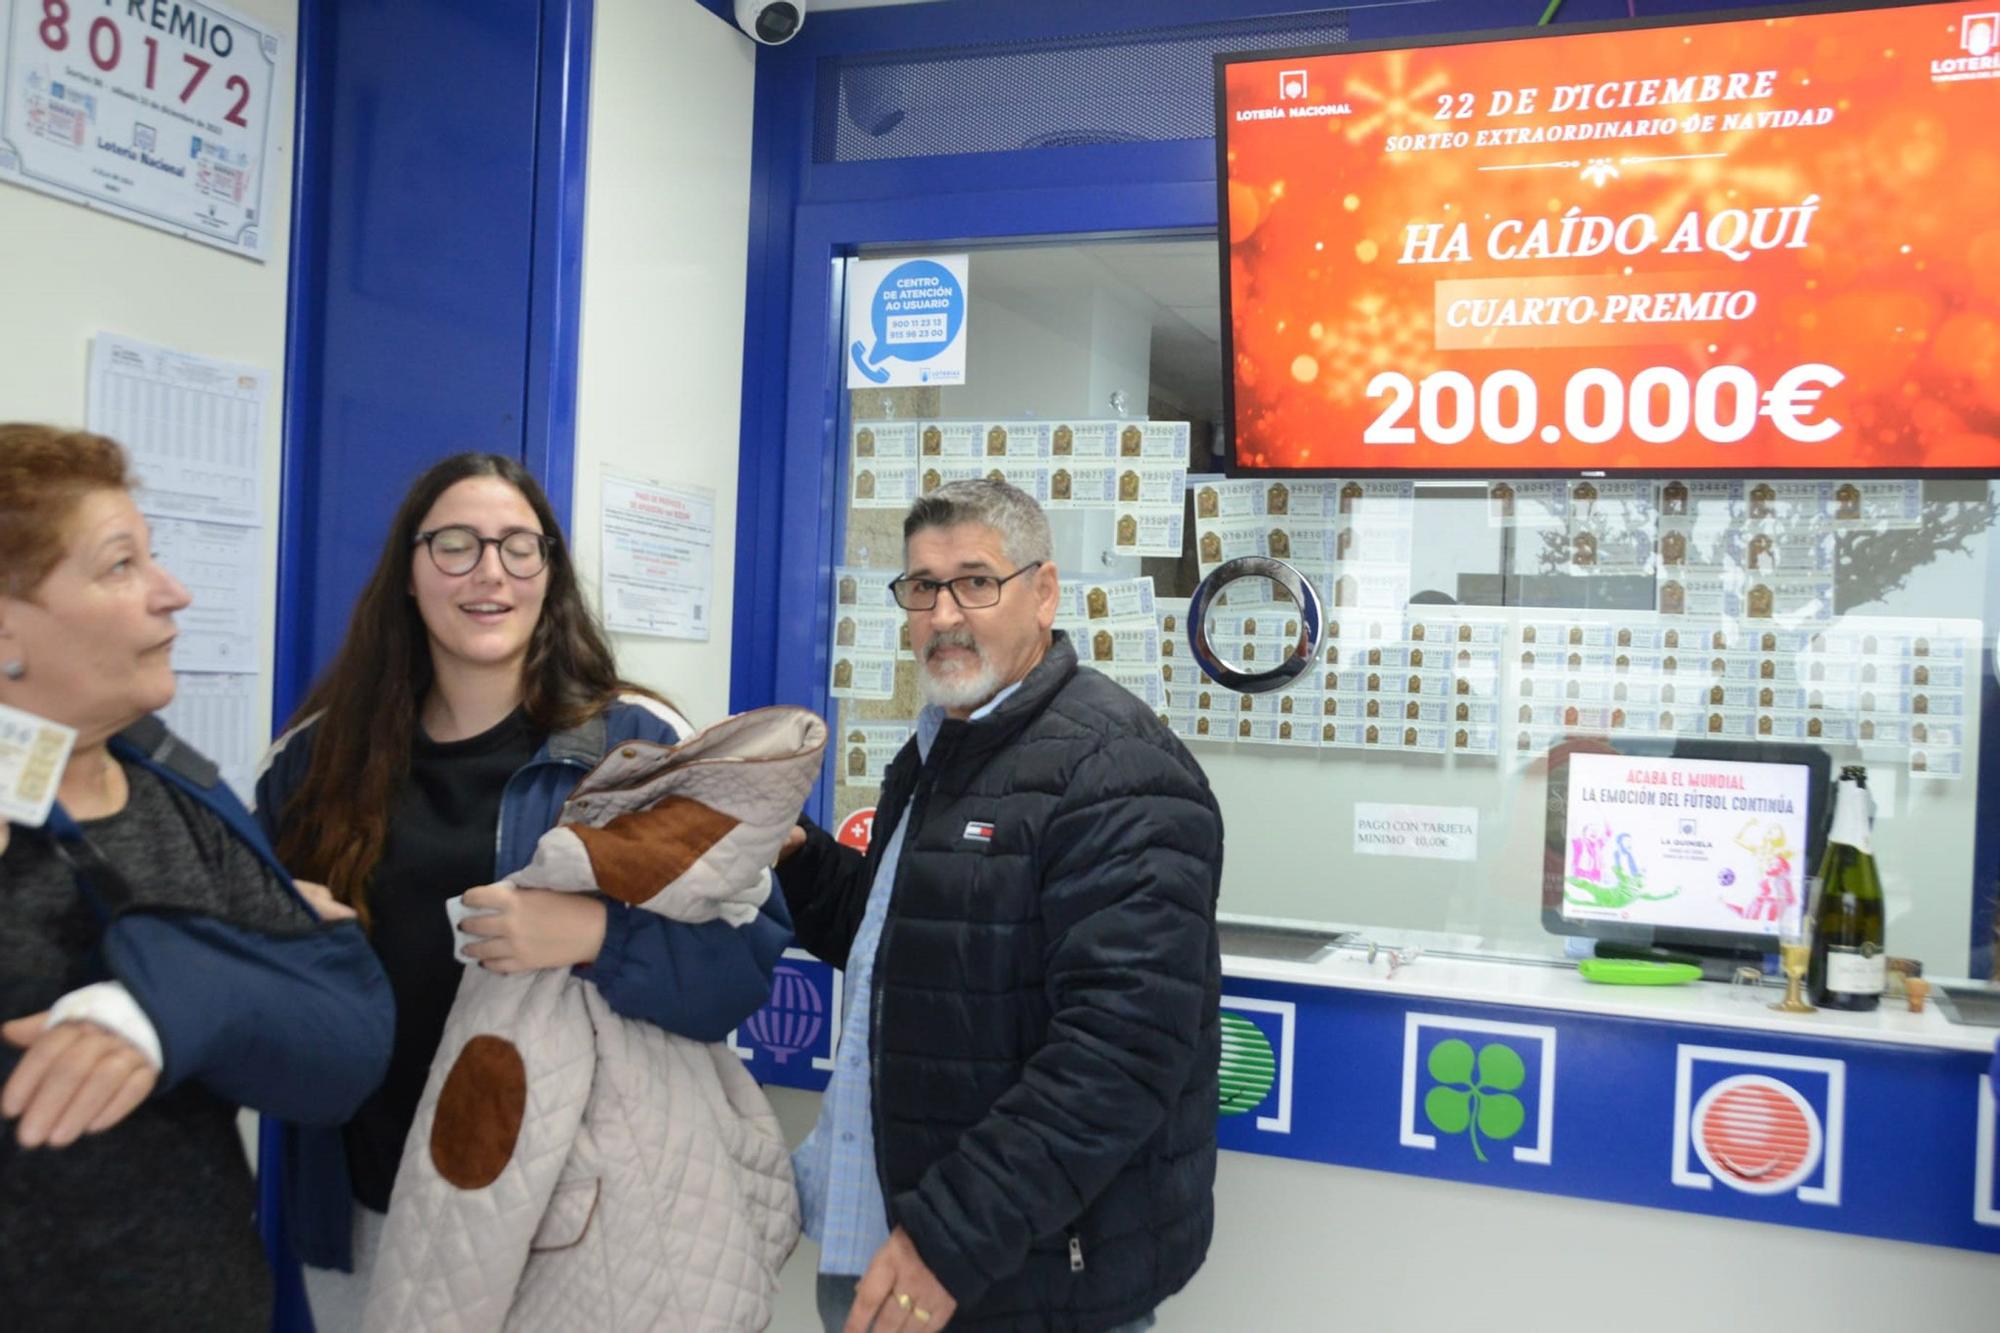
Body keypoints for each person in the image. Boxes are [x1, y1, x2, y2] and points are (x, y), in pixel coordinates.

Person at [254, 452, 792, 1330]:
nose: (489, 573)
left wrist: (594, 934)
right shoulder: (317, 762)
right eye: (456, 545)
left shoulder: (639, 749)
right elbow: (252, 972)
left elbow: (739, 975)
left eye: (518, 546)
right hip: (370, 1203)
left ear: (551, 571)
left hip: (575, 1219)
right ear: (408, 572)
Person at [778, 478, 1224, 1333]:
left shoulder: (1117, 768)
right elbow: (908, 945)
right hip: (887, 1242)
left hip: (1018, 1279)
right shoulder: (943, 745)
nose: (944, 613)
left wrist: (948, 1241)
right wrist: (798, 858)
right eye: (922, 587)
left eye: (976, 581)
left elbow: (1118, 1057)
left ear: (1044, 591)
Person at [0, 423, 393, 1330]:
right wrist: (247, 959)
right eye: (119, 566)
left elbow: (346, 1044)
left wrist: (171, 1002)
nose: (171, 594)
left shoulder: (178, 788)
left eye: (154, 558)